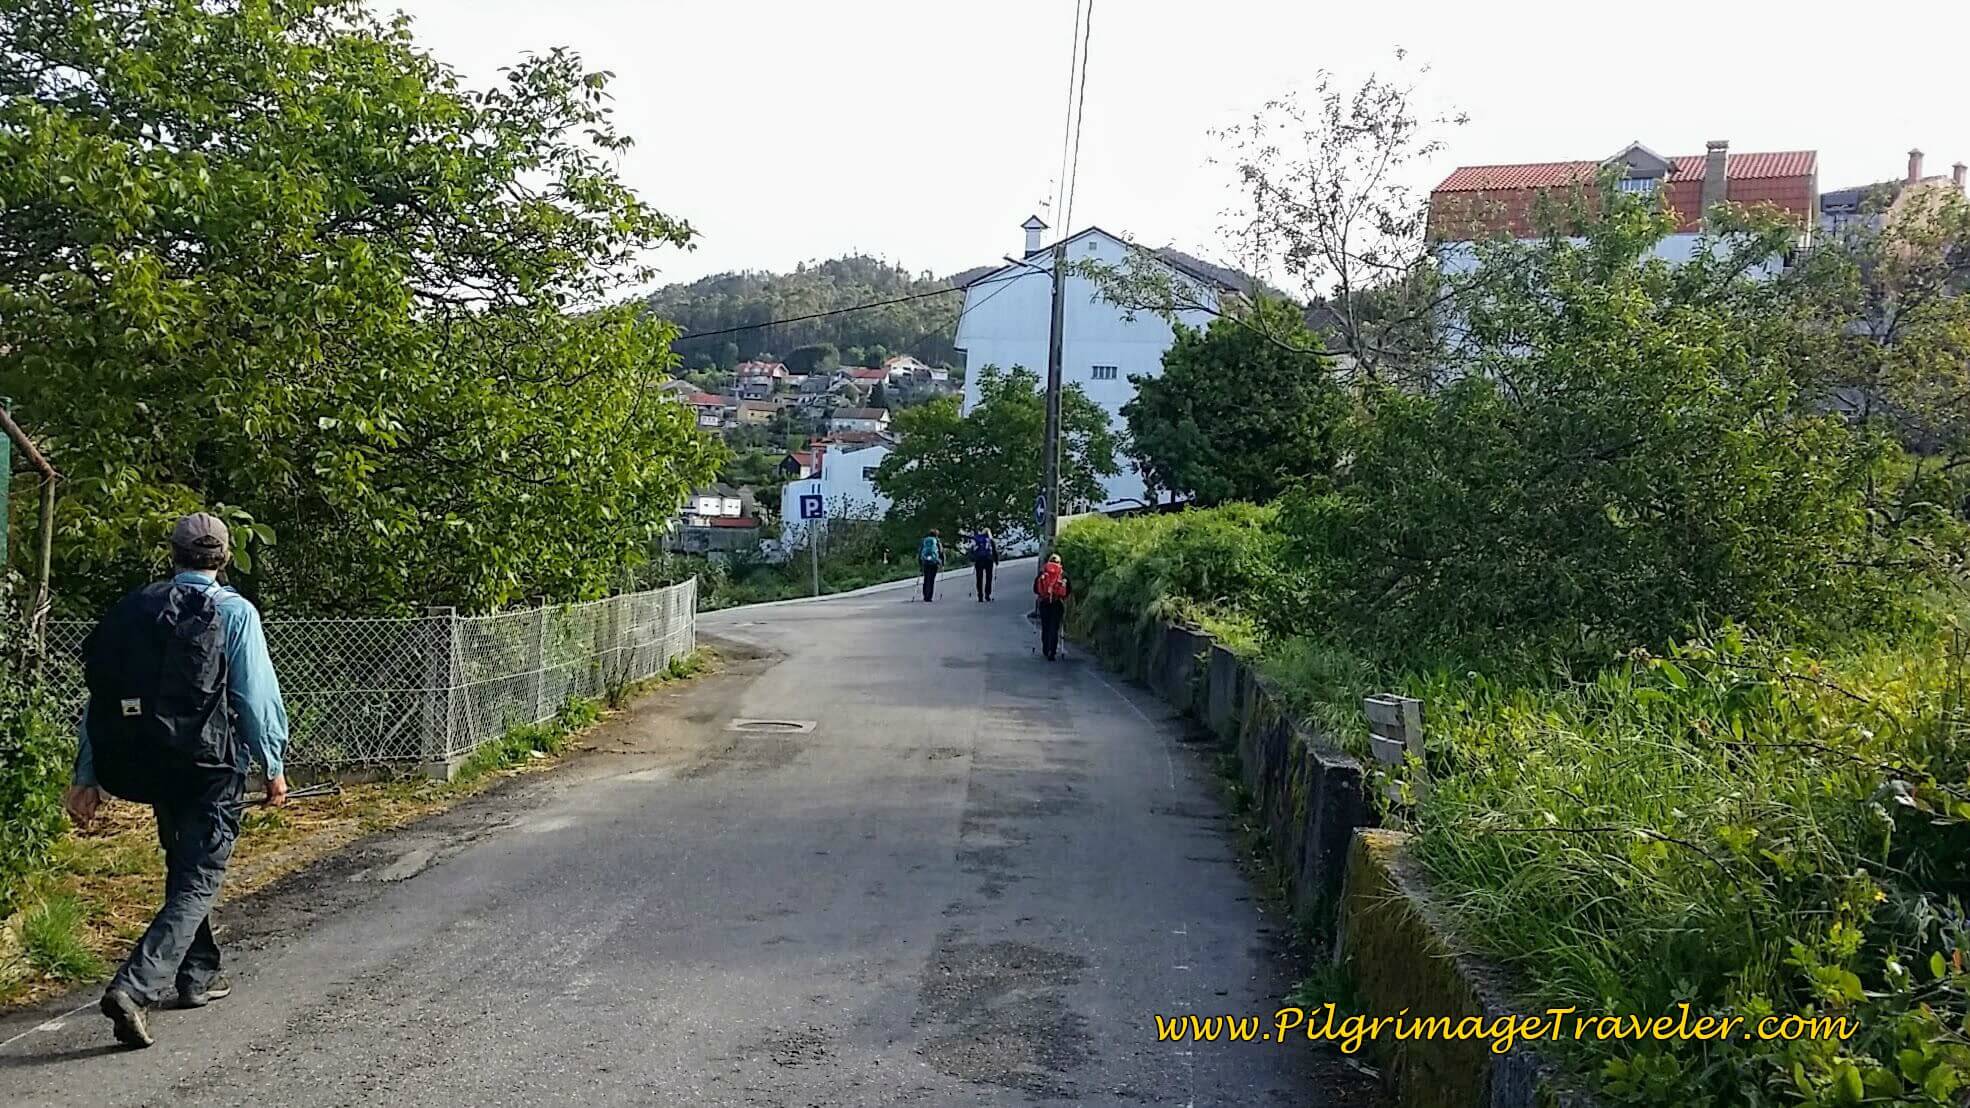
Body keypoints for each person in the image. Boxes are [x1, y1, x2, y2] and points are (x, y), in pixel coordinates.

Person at [65, 513, 290, 1049]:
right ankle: (136, 987)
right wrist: (273, 767)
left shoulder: (136, 611)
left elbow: (101, 700)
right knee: (199, 876)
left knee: (184, 866)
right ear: (225, 557)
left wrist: (86, 775)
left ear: (174, 556)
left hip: (148, 764)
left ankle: (198, 976)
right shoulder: (233, 611)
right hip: (210, 767)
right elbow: (256, 698)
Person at [1034, 554, 1071, 661]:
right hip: (1057, 603)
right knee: (1054, 627)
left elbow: (1035, 589)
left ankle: (1046, 649)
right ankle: (1052, 651)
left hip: (1044, 603)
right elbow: (1068, 590)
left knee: (1045, 627)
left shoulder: (1042, 572)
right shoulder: (1063, 574)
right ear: (1060, 563)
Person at [969, 528, 998, 602]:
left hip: (979, 560)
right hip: (989, 560)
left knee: (979, 578)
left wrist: (973, 559)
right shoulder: (990, 540)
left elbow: (972, 549)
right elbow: (994, 550)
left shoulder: (977, 539)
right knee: (989, 577)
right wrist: (996, 560)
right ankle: (987, 595)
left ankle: (980, 596)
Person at [917, 528, 943, 602]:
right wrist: (942, 562)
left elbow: (920, 552)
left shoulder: (924, 541)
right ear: (936, 535)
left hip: (925, 562)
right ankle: (929, 597)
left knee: (926, 578)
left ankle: (925, 596)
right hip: (934, 562)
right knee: (931, 580)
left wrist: (920, 563)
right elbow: (941, 551)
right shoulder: (937, 541)